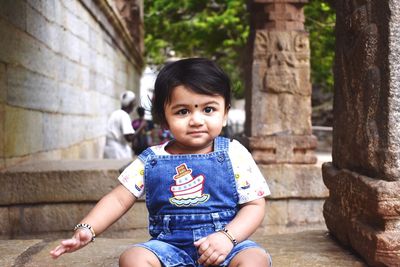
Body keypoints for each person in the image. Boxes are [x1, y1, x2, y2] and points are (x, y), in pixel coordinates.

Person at [50, 58, 272, 267]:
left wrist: (227, 237)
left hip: (227, 246)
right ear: (164, 118)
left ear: (224, 114)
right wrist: (88, 228)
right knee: (132, 258)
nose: (196, 120)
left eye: (208, 109)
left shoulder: (234, 153)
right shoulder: (152, 159)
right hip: (168, 248)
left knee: (255, 258)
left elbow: (254, 205)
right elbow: (119, 199)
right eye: (183, 111)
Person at [103, 91, 136, 159]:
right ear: (130, 104)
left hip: (111, 149)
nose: (134, 105)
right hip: (117, 151)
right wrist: (141, 127)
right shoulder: (124, 115)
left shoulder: (116, 113)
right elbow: (129, 138)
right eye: (133, 103)